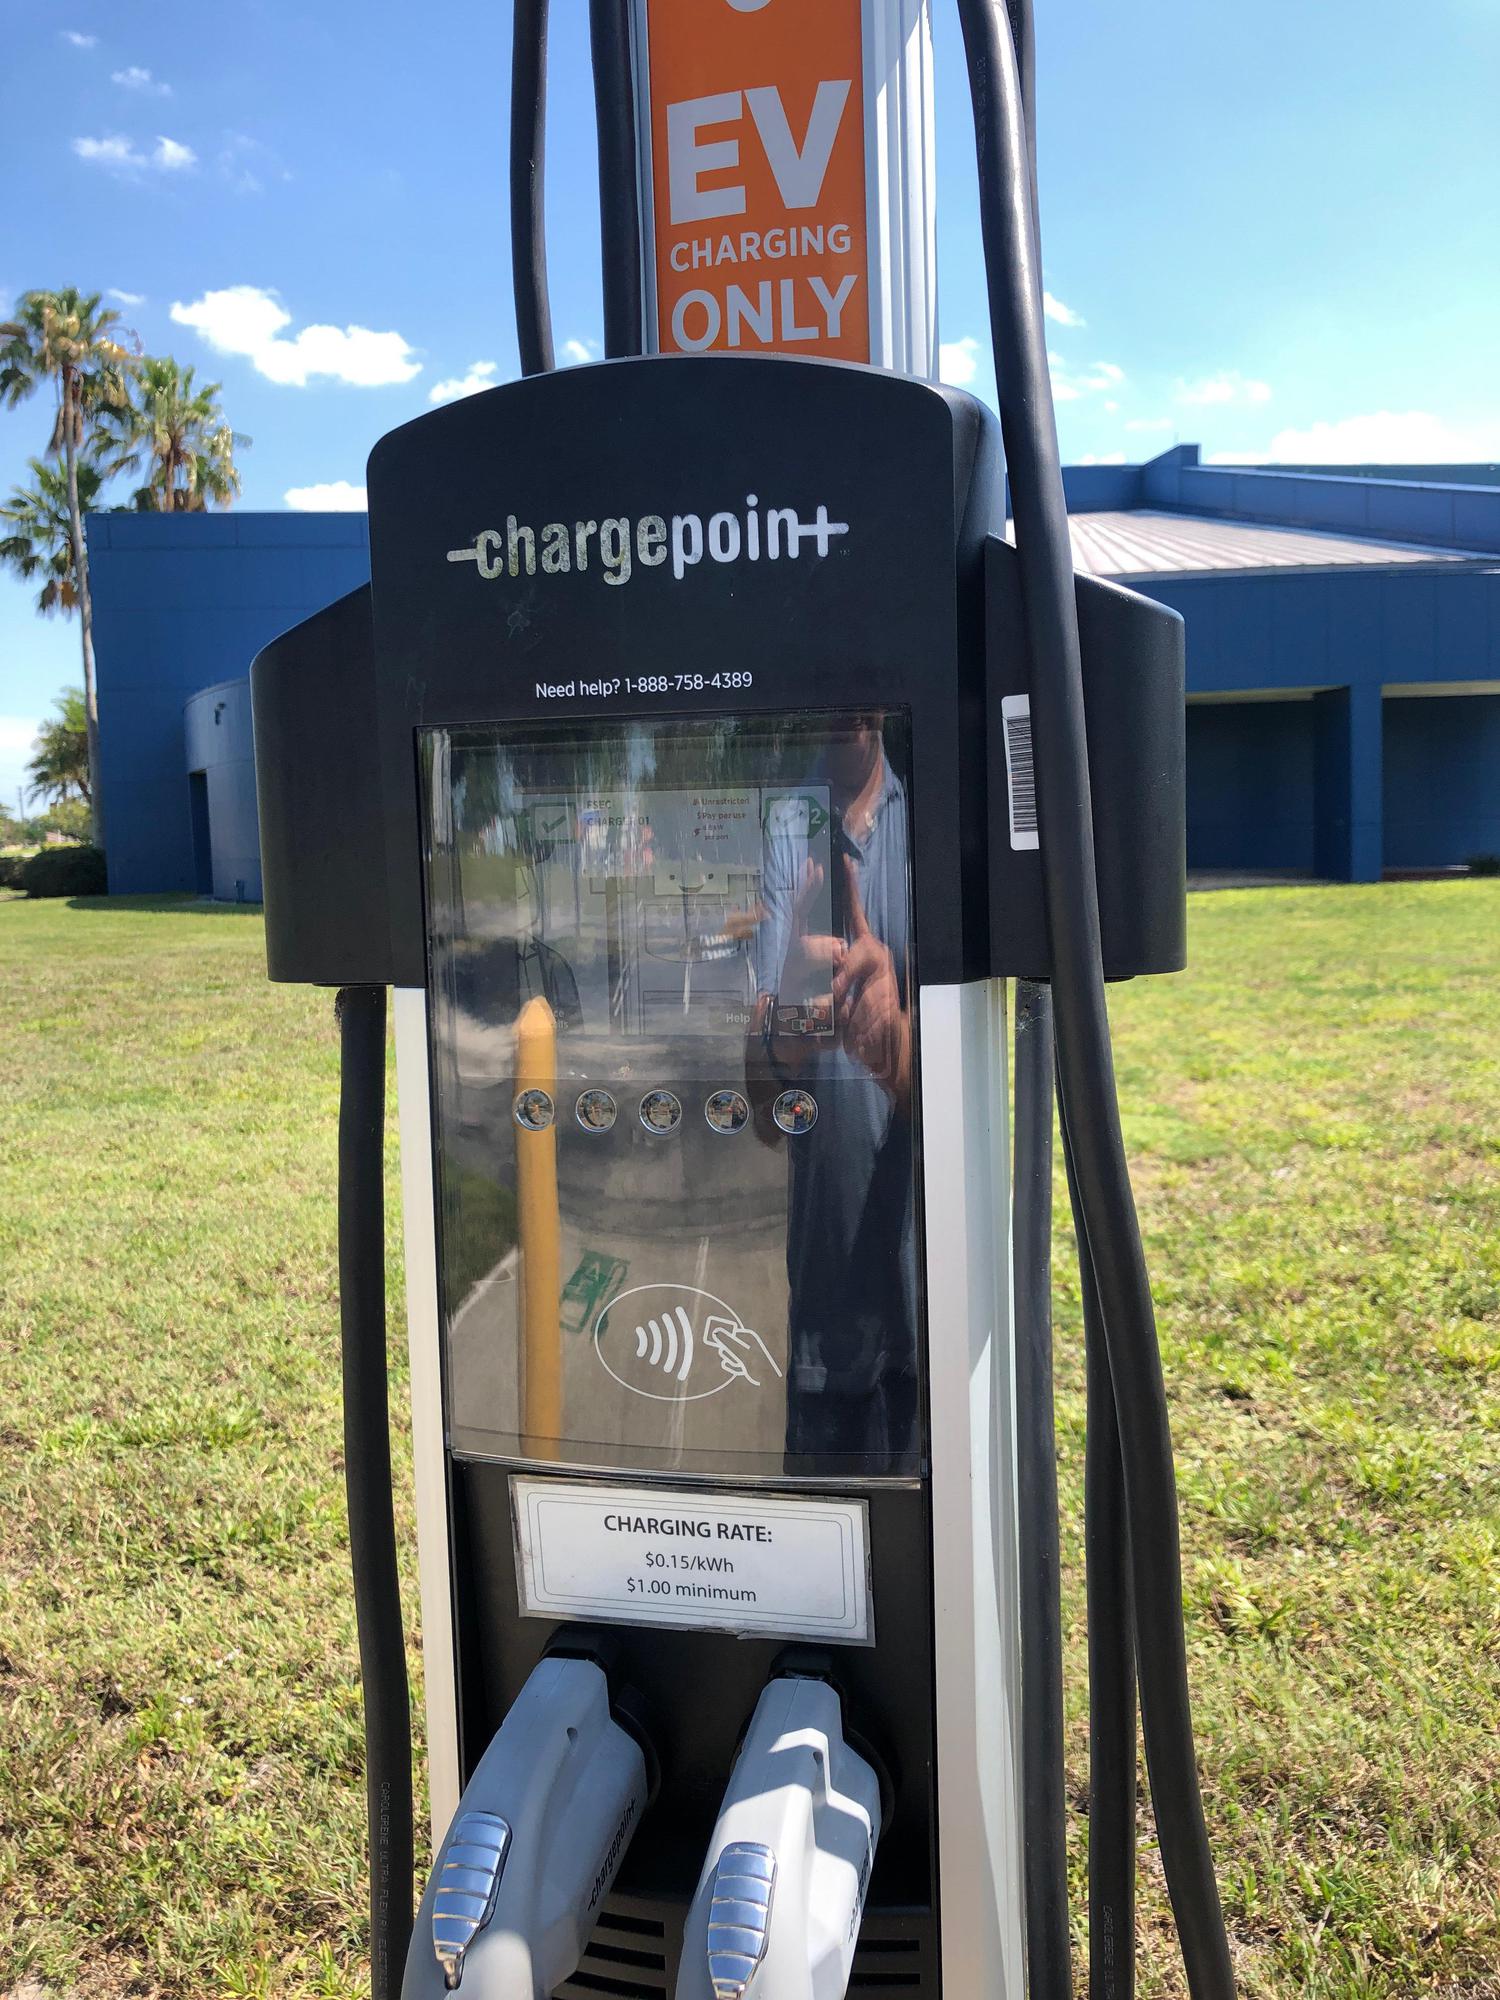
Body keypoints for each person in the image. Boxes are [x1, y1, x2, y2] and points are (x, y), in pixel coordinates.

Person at [747, 717, 918, 1469]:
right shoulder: (784, 830)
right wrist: (787, 1009)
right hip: (825, 1324)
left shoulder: (937, 819)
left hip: (931, 1314)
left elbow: (982, 1103)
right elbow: (758, 1110)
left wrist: (897, 1042)